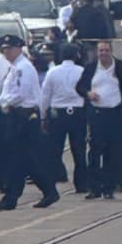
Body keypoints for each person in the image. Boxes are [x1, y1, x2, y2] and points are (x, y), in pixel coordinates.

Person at [0, 35, 59, 210]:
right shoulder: (15, 68)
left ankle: (44, 191)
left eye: (9, 49)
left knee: (23, 158)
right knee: (19, 159)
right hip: (16, 116)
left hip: (24, 117)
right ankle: (14, 196)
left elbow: (19, 95)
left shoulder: (24, 68)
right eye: (4, 49)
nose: (6, 52)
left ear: (18, 49)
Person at [76, 40, 122, 200]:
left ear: (111, 51)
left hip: (115, 114)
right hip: (96, 114)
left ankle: (109, 187)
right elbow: (80, 87)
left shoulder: (121, 67)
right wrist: (88, 94)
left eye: (106, 50)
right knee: (94, 151)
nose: (103, 53)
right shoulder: (91, 68)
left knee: (112, 152)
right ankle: (94, 187)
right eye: (101, 51)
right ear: (97, 52)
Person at [40, 43, 89, 194]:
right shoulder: (82, 71)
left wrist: (43, 116)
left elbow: (45, 96)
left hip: (57, 114)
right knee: (79, 151)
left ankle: (51, 182)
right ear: (77, 55)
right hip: (78, 113)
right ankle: (82, 184)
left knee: (54, 150)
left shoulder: (53, 72)